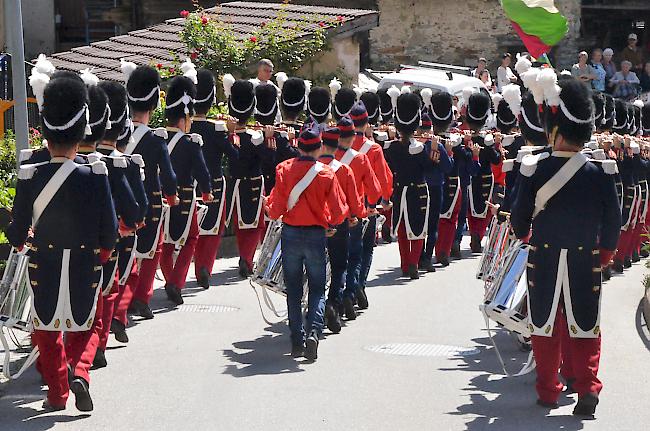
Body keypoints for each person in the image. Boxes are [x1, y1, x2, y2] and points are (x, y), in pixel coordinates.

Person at [511, 75, 621, 416]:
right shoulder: (601, 172)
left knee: (544, 325)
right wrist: (604, 253)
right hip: (585, 257)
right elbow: (614, 220)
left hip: (543, 258)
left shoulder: (536, 169)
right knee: (586, 324)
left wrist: (526, 236)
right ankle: (587, 386)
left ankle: (549, 390)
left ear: (555, 130)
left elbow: (518, 220)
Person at [6, 76, 118, 412]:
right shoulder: (96, 174)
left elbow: (17, 230)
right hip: (85, 263)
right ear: (81, 129)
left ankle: (57, 394)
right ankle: (80, 371)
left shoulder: (30, 175)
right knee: (85, 325)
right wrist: (104, 251)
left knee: (47, 330)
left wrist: (21, 238)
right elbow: (109, 229)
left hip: (46, 263)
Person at [266, 127, 348, 361]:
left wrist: (269, 208)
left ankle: (296, 340)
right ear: (319, 148)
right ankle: (313, 333)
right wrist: (330, 224)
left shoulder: (284, 169)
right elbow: (338, 211)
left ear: (298, 147)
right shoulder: (326, 174)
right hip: (315, 235)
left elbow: (276, 207)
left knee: (292, 290)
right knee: (317, 288)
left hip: (291, 234)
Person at [122, 63, 178, 320]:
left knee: (124, 251)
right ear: (153, 105)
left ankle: (121, 298)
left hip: (121, 199)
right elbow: (167, 174)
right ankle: (142, 298)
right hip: (149, 201)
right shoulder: (156, 139)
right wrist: (172, 195)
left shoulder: (118, 135)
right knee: (150, 251)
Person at [96, 80, 148, 346]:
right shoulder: (124, 162)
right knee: (117, 282)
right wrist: (133, 221)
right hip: (119, 234)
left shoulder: (84, 161)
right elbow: (138, 208)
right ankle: (111, 326)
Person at [160, 74, 213, 305]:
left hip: (158, 198)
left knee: (165, 241)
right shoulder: (191, 141)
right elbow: (201, 171)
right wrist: (207, 191)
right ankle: (176, 281)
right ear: (185, 115)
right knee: (191, 237)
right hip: (183, 198)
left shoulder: (156, 137)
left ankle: (169, 278)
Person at [192, 68, 239, 289]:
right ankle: (204, 267)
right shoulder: (216, 128)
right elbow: (233, 155)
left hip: (188, 185)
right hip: (214, 183)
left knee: (192, 229)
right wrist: (231, 133)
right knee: (213, 229)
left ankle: (188, 269)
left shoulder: (183, 126)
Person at [222, 76, 274, 277]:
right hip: (252, 183)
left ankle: (245, 257)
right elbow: (269, 160)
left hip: (234, 184)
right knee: (254, 226)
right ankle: (246, 258)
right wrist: (269, 139)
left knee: (239, 223)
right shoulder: (255, 136)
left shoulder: (228, 134)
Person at [319, 125, 364, 333]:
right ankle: (333, 304)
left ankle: (314, 307)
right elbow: (353, 201)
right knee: (339, 267)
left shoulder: (314, 167)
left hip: (315, 223)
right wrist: (355, 215)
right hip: (339, 223)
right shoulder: (344, 170)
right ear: (337, 144)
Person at [336, 115, 381, 319]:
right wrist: (370, 206)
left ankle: (336, 296)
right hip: (355, 211)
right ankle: (350, 291)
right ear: (353, 136)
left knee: (336, 259)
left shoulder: (326, 156)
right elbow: (375, 188)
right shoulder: (361, 158)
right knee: (356, 255)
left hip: (331, 214)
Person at [383, 92, 433, 278]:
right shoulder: (420, 148)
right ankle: (413, 262)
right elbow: (428, 168)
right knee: (419, 230)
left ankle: (405, 264)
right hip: (418, 191)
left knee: (403, 229)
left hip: (400, 190)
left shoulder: (393, 147)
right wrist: (435, 151)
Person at [349, 100, 393, 308]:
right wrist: (385, 199)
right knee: (366, 248)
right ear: (366, 123)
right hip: (367, 204)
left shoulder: (342, 144)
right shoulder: (373, 148)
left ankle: (348, 285)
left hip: (344, 204)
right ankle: (359, 283)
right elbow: (384, 178)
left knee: (346, 250)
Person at [420, 91, 454, 271]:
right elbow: (448, 168)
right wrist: (446, 152)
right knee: (432, 224)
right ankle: (425, 257)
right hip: (433, 187)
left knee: (421, 223)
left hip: (421, 187)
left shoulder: (417, 144)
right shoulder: (436, 145)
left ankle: (419, 257)